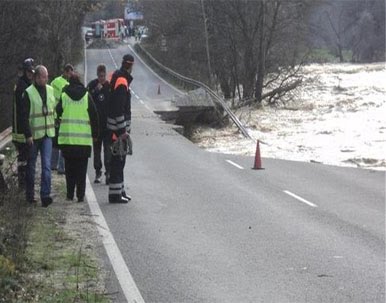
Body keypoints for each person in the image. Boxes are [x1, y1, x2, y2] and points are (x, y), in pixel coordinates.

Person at [56, 72, 99, 202]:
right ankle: (80, 196)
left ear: (69, 81)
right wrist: (95, 134)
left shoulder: (64, 95)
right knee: (81, 171)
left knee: (69, 170)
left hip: (68, 140)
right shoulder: (86, 96)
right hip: (83, 142)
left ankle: (70, 195)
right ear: (79, 81)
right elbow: (94, 115)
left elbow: (57, 113)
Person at [21, 65, 55, 207]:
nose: (46, 79)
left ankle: (45, 195)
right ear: (37, 77)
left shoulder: (50, 90)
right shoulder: (28, 93)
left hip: (48, 134)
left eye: (47, 76)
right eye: (43, 77)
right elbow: (23, 116)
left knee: (47, 166)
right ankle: (30, 195)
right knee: (31, 166)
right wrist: (28, 134)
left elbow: (53, 110)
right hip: (34, 136)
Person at [107, 54, 134, 203]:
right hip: (117, 132)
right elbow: (119, 109)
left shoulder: (117, 77)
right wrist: (123, 132)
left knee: (120, 161)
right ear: (130, 66)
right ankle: (115, 195)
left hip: (115, 130)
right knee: (118, 162)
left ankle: (120, 191)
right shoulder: (122, 81)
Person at [12, 58, 35, 189]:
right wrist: (27, 133)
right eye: (29, 72)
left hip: (19, 130)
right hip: (21, 131)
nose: (31, 75)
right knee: (24, 160)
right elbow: (22, 113)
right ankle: (22, 185)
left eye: (32, 72)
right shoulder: (23, 87)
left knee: (23, 159)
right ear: (25, 72)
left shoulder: (22, 84)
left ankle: (23, 184)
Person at [87, 64, 111, 184]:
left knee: (108, 151)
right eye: (100, 76)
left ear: (105, 75)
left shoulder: (109, 86)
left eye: (103, 76)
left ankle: (108, 173)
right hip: (96, 126)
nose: (102, 78)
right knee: (96, 151)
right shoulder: (92, 85)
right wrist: (96, 90)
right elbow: (87, 99)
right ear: (97, 75)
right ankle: (98, 172)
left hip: (107, 126)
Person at [50, 64, 74, 174]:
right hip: (61, 116)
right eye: (69, 73)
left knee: (55, 142)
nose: (70, 75)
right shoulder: (67, 85)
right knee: (63, 142)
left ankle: (52, 164)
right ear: (65, 72)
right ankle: (61, 167)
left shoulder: (54, 81)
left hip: (52, 115)